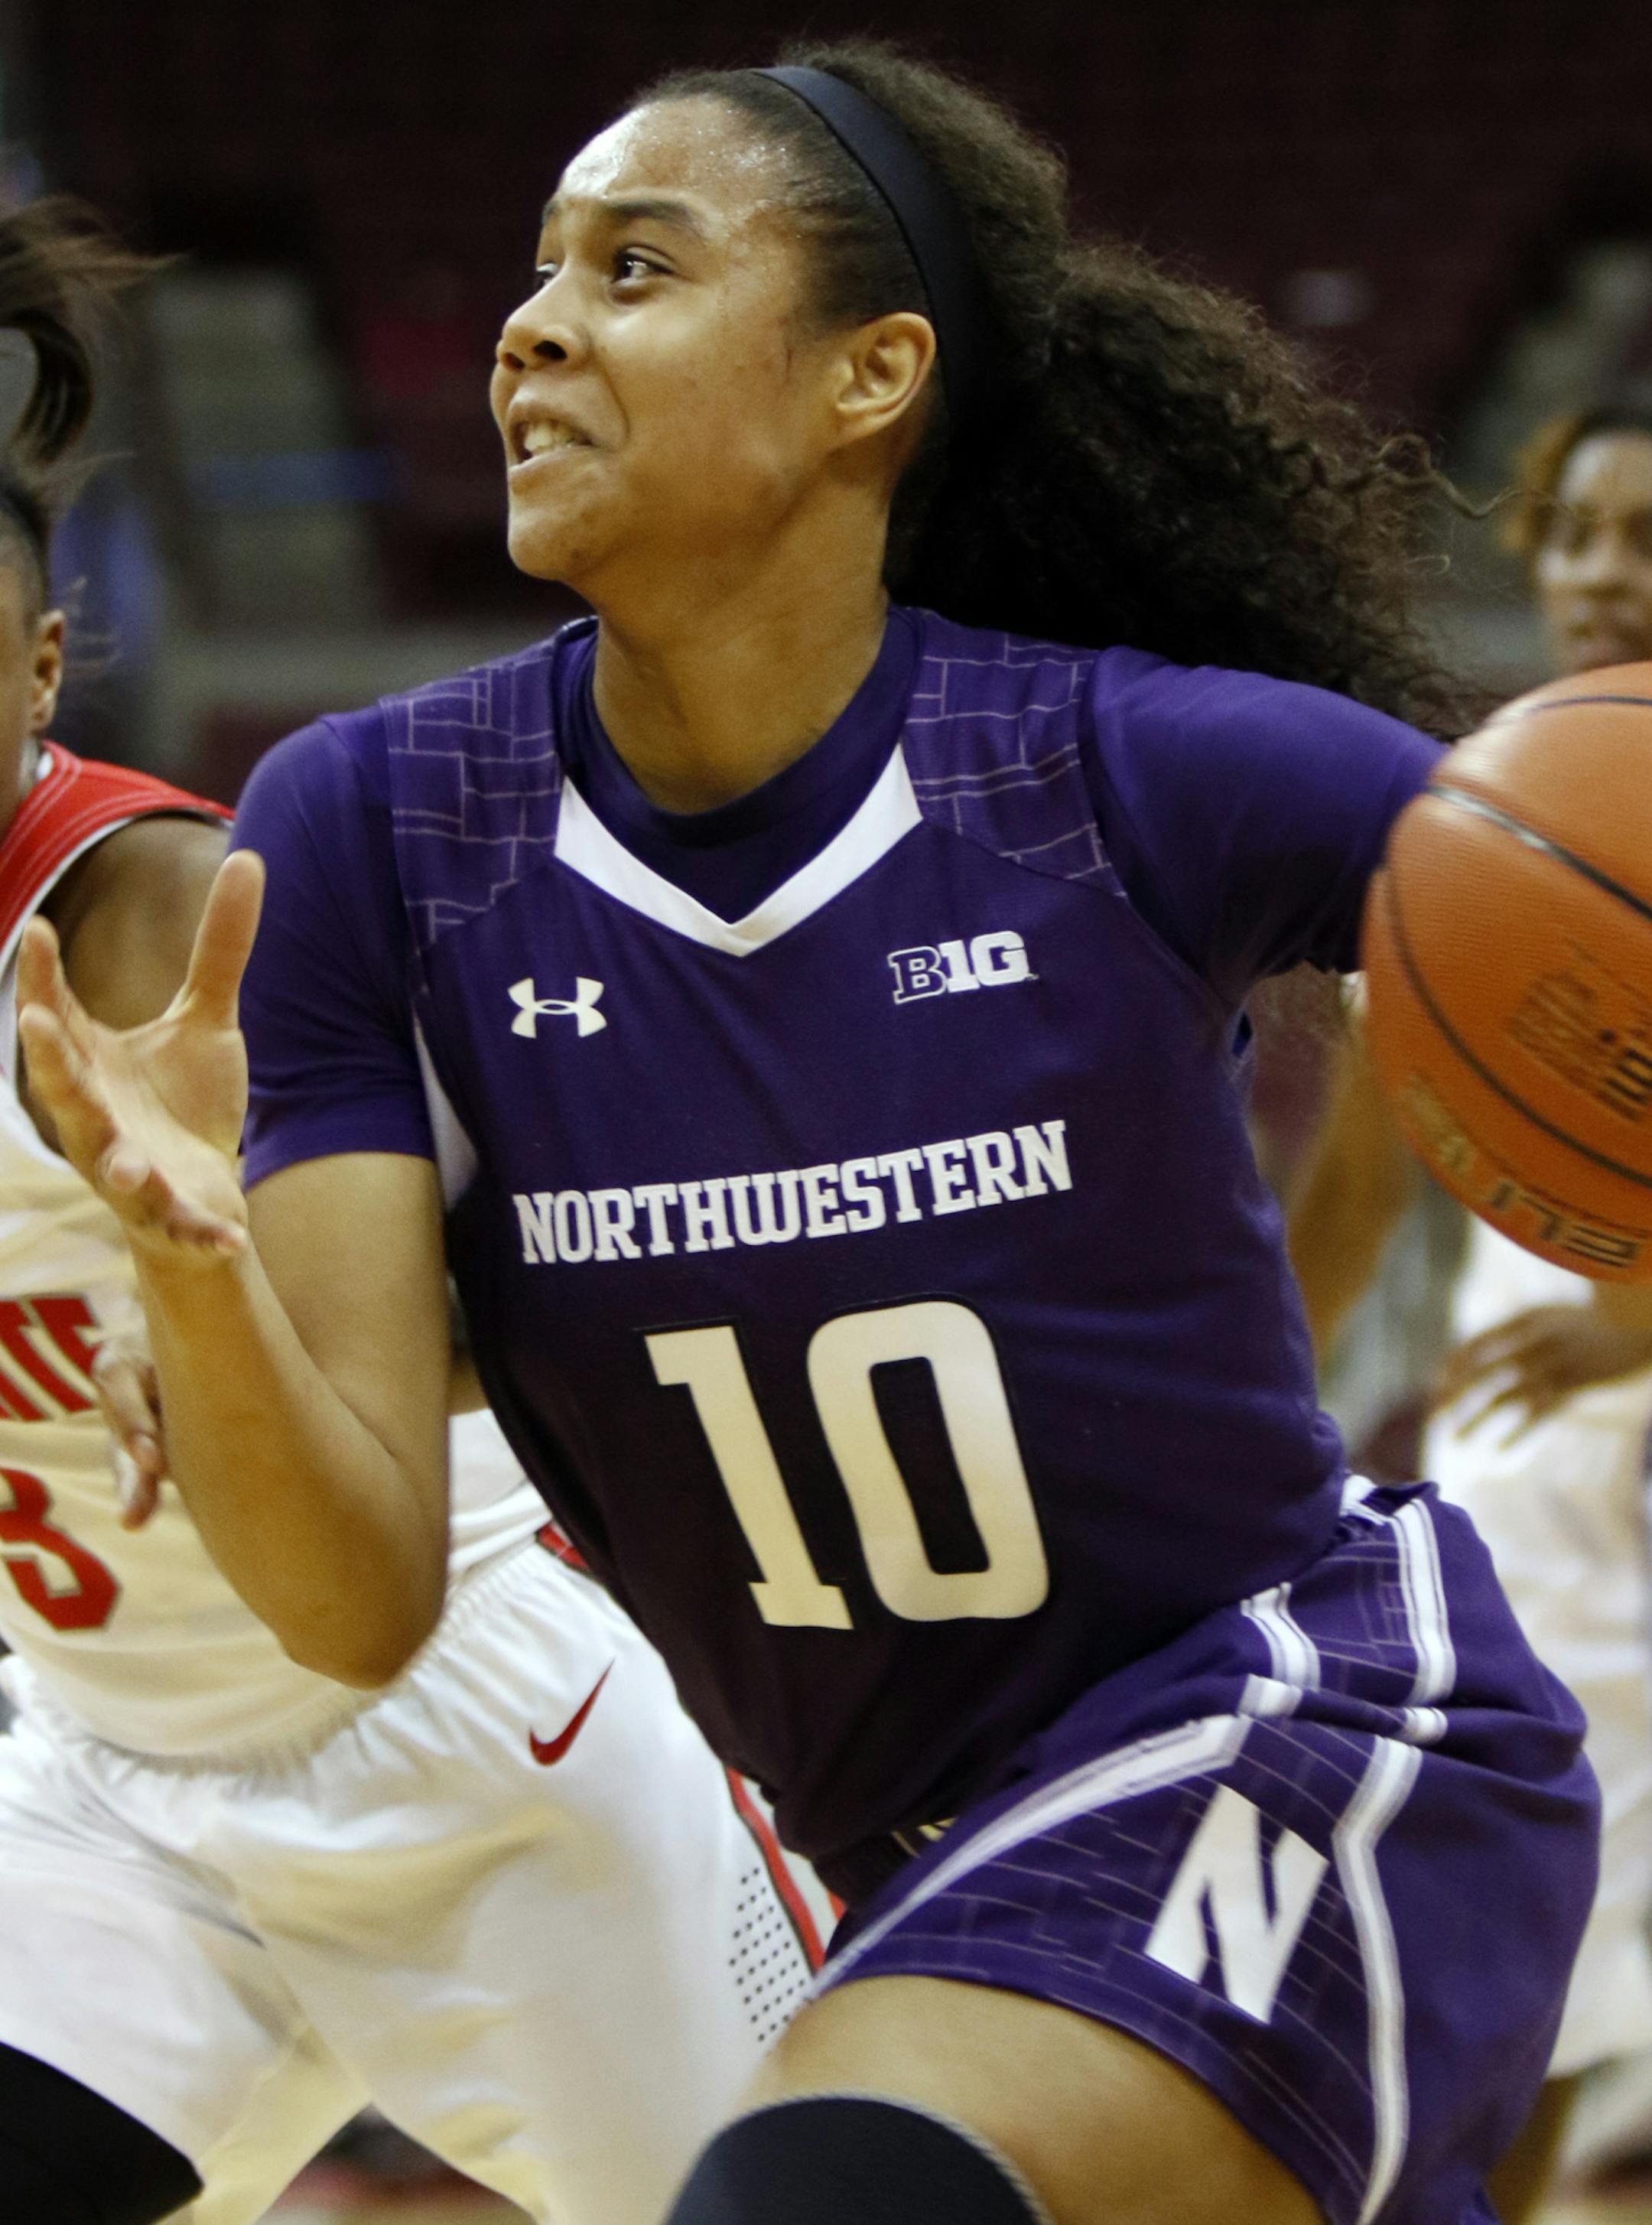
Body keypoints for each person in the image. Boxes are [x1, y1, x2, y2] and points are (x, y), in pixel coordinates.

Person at [19, 47, 1601, 2225]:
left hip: (1293, 1711)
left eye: (636, 266)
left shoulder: (1118, 768)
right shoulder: (372, 829)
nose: (533, 323)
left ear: (873, 376)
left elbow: (1556, 908)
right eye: (537, 271)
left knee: (817, 2188)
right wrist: (196, 1260)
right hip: (928, 1861)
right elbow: (357, 1596)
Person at [0, 197, 828, 2225]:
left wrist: (232, 1324)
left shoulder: (151, 921)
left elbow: (570, 1255)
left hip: (469, 1743)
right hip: (112, 1785)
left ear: (38, 655)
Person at [1288, 400, 1652, 2221]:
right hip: (1554, 1519)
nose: (1605, 571)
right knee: (1509, 2053)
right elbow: (1361, 1172)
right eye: (1580, 531)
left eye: (1648, 536)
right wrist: (1256, 1426)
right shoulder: (1485, 823)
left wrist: (1646, 1320)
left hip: (1616, 1433)